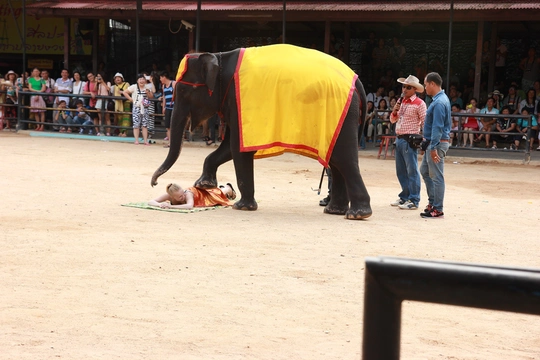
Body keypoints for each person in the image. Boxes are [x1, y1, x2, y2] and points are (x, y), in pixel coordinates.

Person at [389, 75, 427, 210]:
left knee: (412, 171)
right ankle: (404, 196)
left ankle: (414, 199)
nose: (405, 89)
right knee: (401, 171)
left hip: (410, 140)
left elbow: (425, 122)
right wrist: (395, 111)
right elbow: (393, 120)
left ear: (415, 89)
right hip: (399, 139)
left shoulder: (420, 104)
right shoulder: (402, 102)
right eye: (404, 86)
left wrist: (425, 140)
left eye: (408, 87)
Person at [420, 72, 451, 218]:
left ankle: (437, 208)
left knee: (436, 175)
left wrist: (433, 147)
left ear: (432, 84)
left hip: (437, 143)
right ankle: (433, 202)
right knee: (425, 171)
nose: (425, 87)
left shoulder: (438, 102)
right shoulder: (439, 100)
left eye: (426, 84)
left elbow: (437, 127)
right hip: (434, 142)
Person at [148, 182, 236, 210]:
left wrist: (170, 206)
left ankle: (227, 188)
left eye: (182, 193)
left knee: (216, 196)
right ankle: (224, 188)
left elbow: (189, 206)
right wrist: (159, 205)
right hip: (197, 196)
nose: (183, 196)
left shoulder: (187, 194)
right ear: (172, 197)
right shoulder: (168, 195)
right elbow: (151, 201)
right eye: (180, 197)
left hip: (202, 196)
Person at [123, 73, 153, 145]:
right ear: (137, 81)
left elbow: (151, 97)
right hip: (136, 107)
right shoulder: (134, 87)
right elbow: (125, 92)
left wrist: (148, 92)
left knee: (145, 124)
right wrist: (131, 99)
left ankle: (145, 140)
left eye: (143, 79)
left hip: (145, 107)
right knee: (136, 124)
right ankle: (136, 140)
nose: (142, 81)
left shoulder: (147, 87)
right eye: (140, 79)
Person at [111, 72, 130, 137]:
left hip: (126, 103)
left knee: (126, 117)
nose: (117, 79)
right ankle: (120, 131)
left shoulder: (126, 84)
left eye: (119, 77)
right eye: (116, 78)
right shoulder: (113, 87)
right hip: (118, 104)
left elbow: (129, 91)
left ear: (122, 79)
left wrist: (122, 92)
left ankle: (124, 132)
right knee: (120, 118)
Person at [160, 71, 175, 147]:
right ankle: (170, 142)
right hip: (168, 107)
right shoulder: (163, 86)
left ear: (164, 77)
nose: (160, 79)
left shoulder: (173, 83)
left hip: (175, 107)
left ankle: (175, 142)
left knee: (174, 126)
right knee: (168, 126)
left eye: (161, 77)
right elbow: (164, 97)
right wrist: (163, 107)